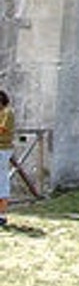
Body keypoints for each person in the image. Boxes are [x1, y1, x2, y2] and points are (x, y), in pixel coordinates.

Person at [0, 90, 15, 227]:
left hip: (2, 150)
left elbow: (3, 130)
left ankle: (2, 215)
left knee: (2, 181)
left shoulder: (7, 113)